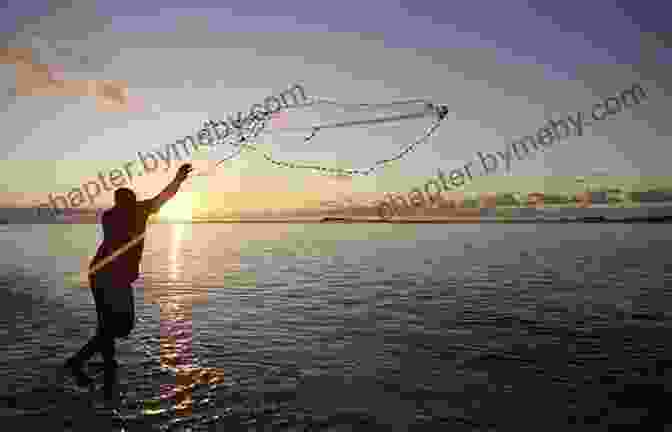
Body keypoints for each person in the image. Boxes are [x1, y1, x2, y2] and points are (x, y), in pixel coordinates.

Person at [64, 163, 193, 400]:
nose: (129, 204)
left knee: (106, 324)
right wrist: (178, 179)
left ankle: (106, 363)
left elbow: (164, 196)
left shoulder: (118, 213)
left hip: (101, 274)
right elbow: (162, 198)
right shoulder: (126, 213)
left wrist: (178, 179)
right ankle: (79, 360)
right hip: (109, 277)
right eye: (128, 201)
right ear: (125, 202)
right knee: (121, 326)